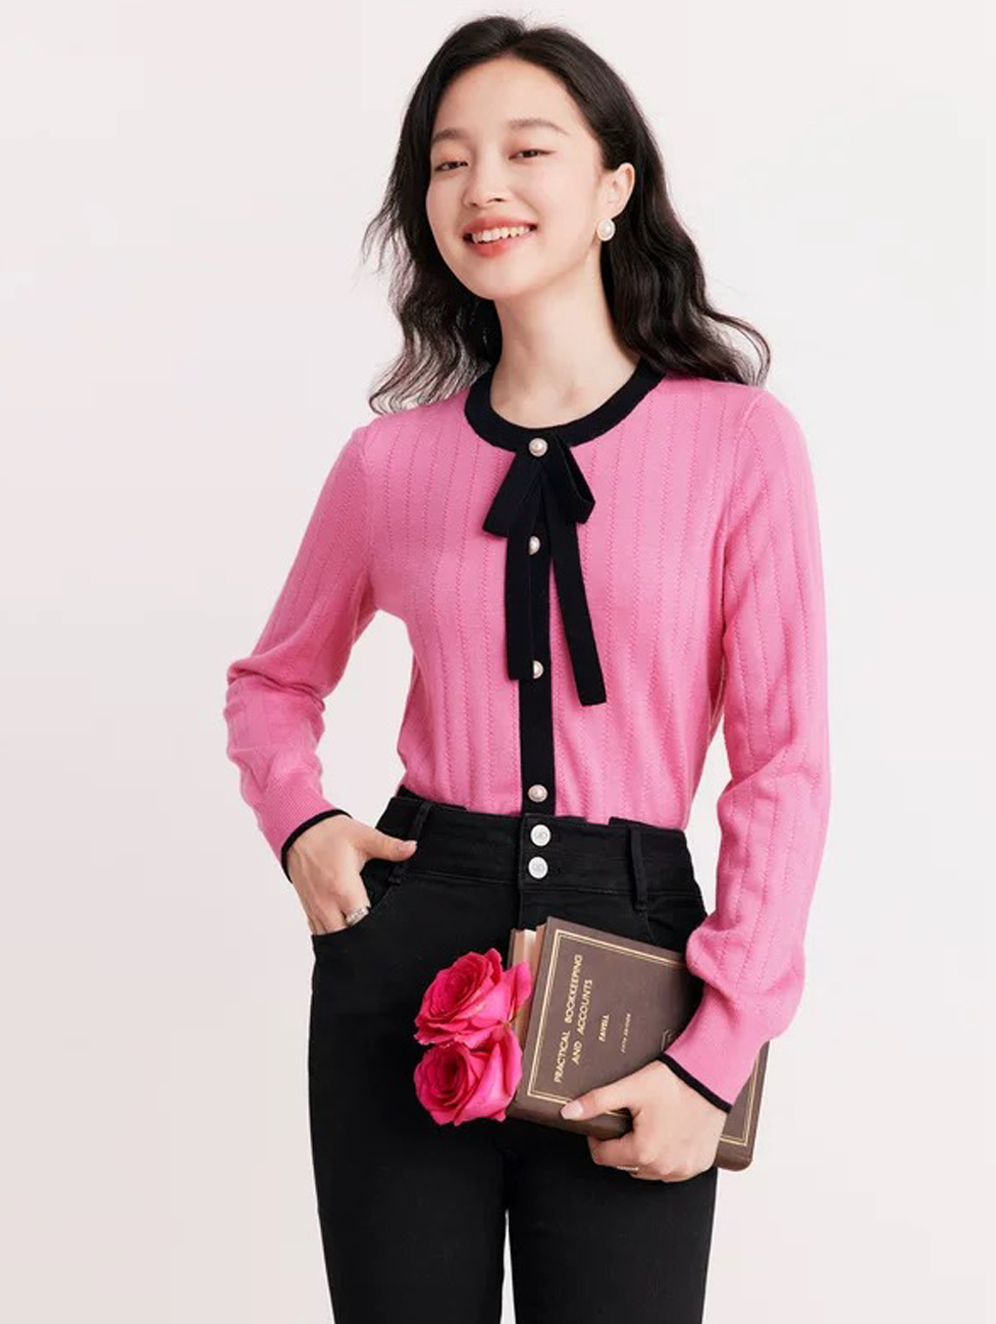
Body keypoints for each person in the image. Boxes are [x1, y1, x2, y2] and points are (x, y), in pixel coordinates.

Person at [222, 15, 831, 1324]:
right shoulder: (390, 463)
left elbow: (782, 767)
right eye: (448, 161)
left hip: (637, 960)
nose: (481, 186)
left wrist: (718, 1054)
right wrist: (304, 827)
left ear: (615, 187)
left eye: (526, 150)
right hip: (407, 948)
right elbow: (273, 683)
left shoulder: (740, 444)